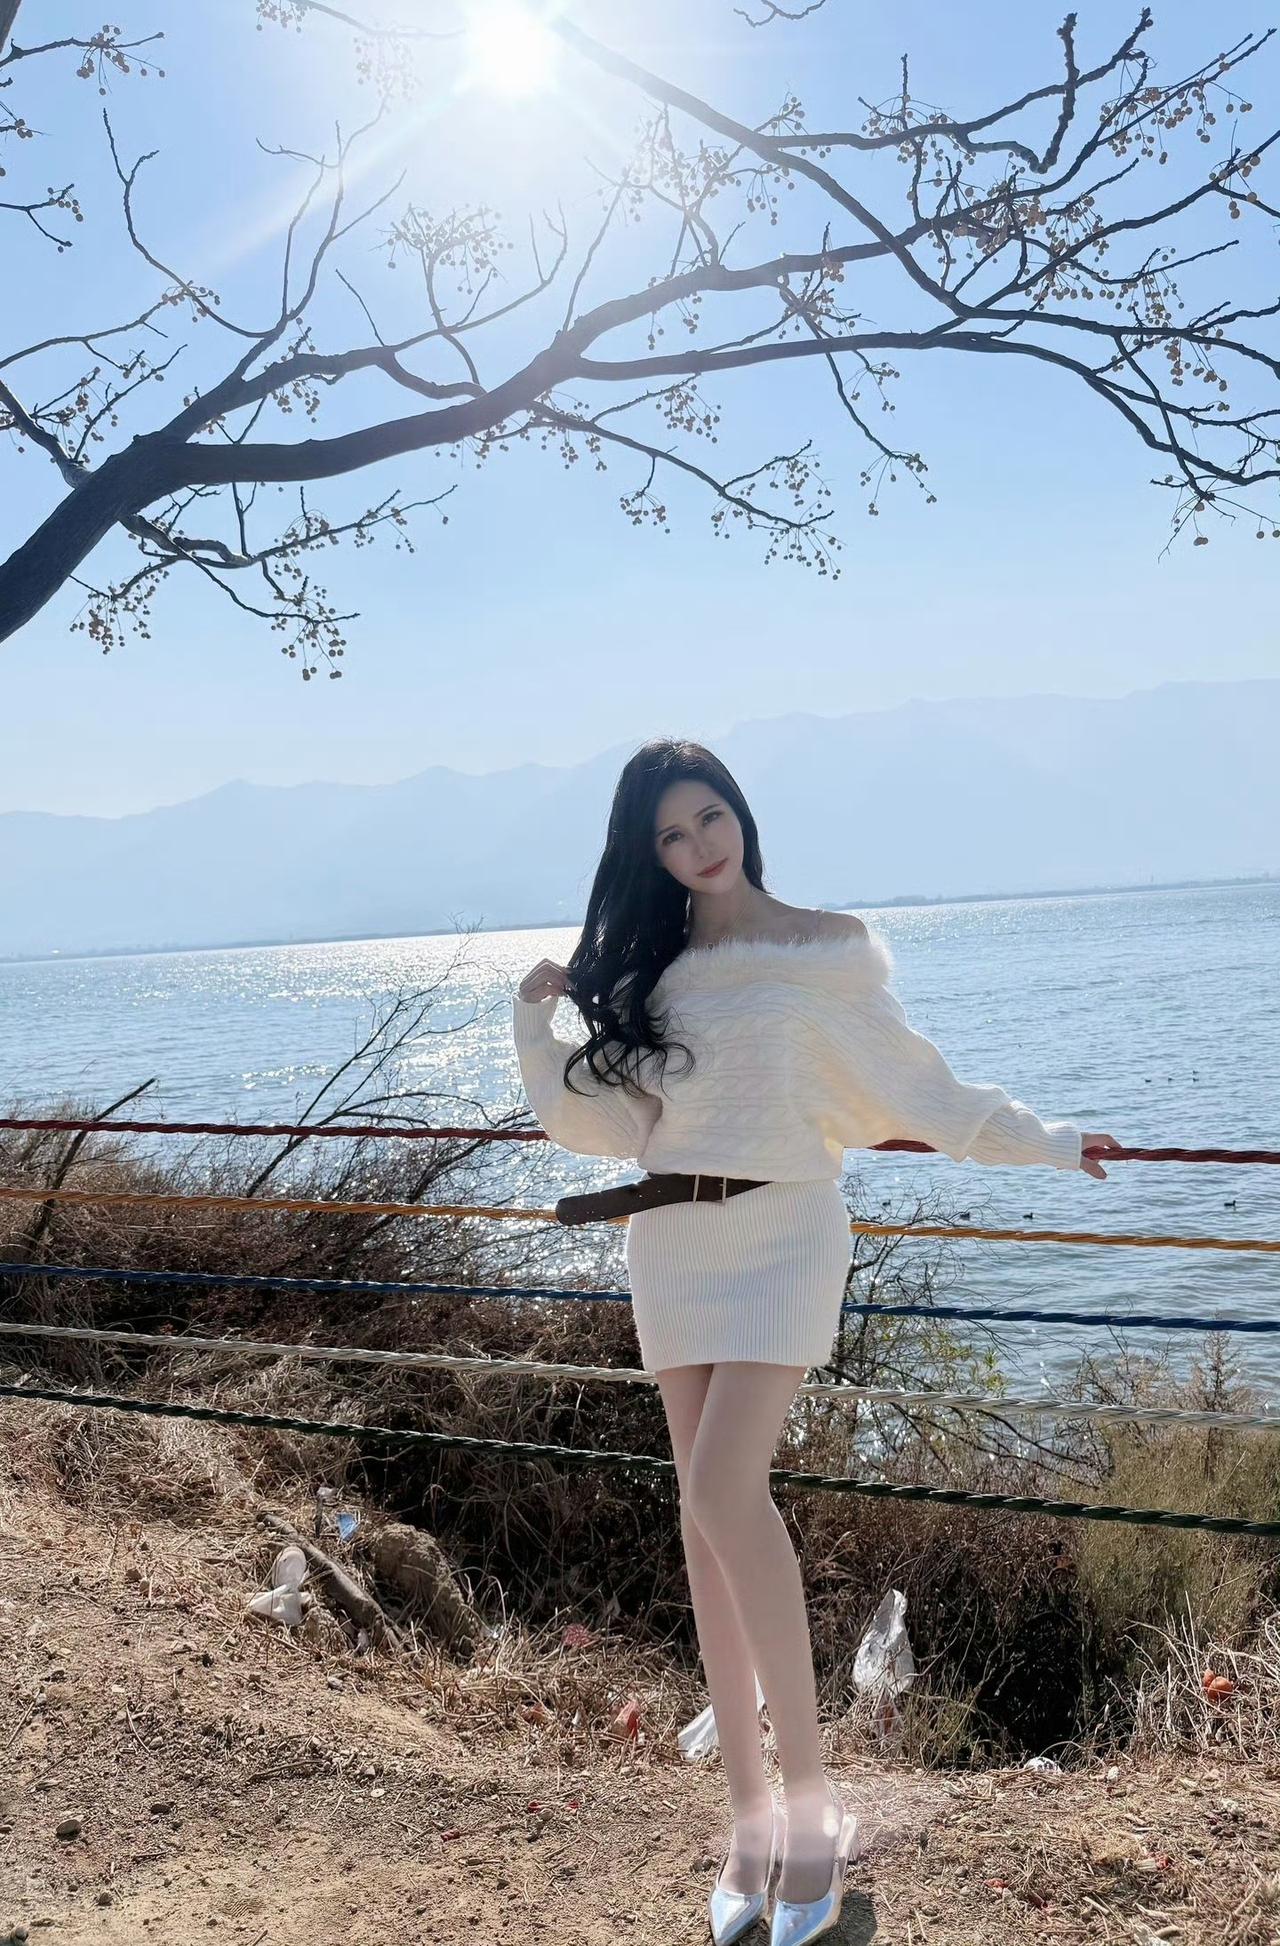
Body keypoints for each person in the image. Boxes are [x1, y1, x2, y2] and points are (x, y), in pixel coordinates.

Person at [511, 738, 1121, 1946]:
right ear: (649, 856)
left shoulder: (825, 948)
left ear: (738, 810)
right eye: (668, 836)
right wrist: (534, 1020)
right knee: (701, 1519)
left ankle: (808, 1810)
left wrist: (1047, 1141)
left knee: (722, 1489)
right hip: (671, 1240)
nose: (696, 845)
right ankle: (748, 1817)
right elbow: (610, 1121)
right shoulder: (656, 968)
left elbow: (916, 1087)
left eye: (706, 816)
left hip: (786, 1232)